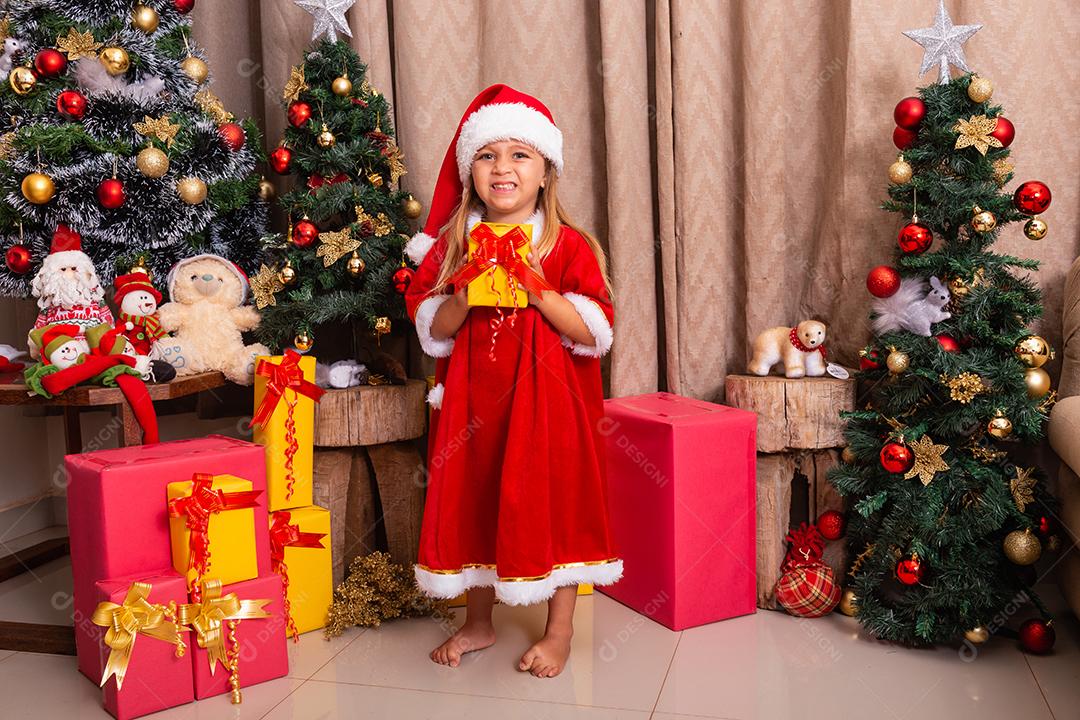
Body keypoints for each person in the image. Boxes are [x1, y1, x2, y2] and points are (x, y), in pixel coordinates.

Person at [404, 85, 621, 679]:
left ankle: (560, 630)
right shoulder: (454, 244)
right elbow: (433, 330)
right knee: (476, 492)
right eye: (487, 155)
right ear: (471, 170)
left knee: (556, 501)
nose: (502, 168)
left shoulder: (566, 244)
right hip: (473, 400)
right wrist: (464, 294)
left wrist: (538, 290)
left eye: (519, 155)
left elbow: (594, 332)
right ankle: (477, 621)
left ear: (547, 171)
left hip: (549, 404)